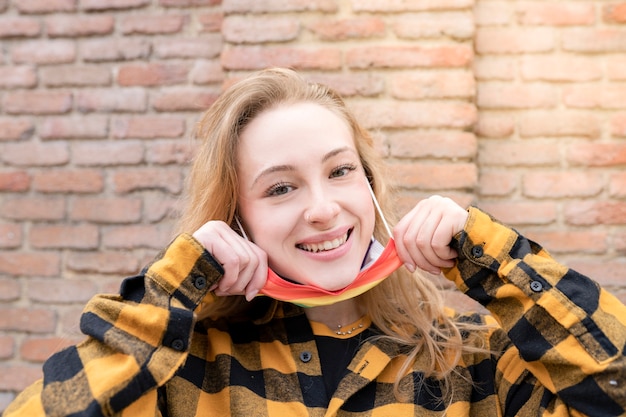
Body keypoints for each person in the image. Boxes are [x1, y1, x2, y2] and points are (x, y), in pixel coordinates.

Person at [4, 67, 625, 417]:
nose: (323, 210)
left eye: (340, 171)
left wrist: (493, 258)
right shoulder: (181, 372)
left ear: (373, 187)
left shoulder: (476, 364)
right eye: (280, 189)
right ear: (235, 219)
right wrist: (173, 287)